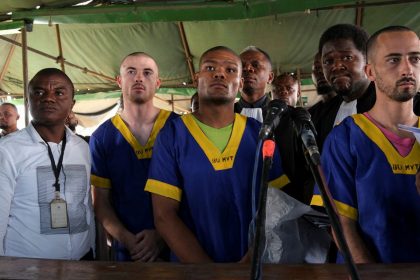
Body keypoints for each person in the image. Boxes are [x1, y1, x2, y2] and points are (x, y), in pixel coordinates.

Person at [145, 46, 289, 263]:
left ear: (240, 83)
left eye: (231, 70)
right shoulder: (172, 135)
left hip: (254, 265)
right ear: (197, 78)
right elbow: (164, 216)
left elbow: (277, 208)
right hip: (194, 269)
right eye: (210, 67)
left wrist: (253, 259)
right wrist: (210, 272)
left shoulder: (260, 134)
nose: (220, 74)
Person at [311, 26, 420, 263]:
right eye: (393, 60)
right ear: (370, 71)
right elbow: (341, 225)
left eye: (415, 58)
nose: (406, 68)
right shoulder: (343, 138)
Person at [90, 52, 177, 262]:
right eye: (131, 72)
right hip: (129, 251)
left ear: (157, 83)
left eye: (147, 73)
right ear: (119, 81)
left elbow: (193, 192)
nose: (139, 78)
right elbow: (101, 201)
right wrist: (126, 239)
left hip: (177, 244)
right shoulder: (102, 136)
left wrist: (163, 234)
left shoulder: (179, 127)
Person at [0, 68, 95, 260]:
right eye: (39, 92)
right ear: (28, 101)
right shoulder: (7, 150)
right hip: (27, 268)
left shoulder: (82, 149)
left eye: (59, 93)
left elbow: (86, 206)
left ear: (72, 103)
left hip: (82, 263)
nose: (48, 98)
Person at [314, 24, 375, 150]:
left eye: (347, 57)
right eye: (328, 61)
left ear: (368, 60)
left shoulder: (398, 106)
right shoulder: (322, 115)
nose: (336, 66)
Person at [271, 73, 314, 204]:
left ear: (298, 93)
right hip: (273, 192)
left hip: (301, 193)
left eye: (289, 89)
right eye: (278, 89)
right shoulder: (263, 120)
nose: (283, 92)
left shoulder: (305, 118)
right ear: (271, 93)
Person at [234, 46, 274, 122]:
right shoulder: (223, 115)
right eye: (242, 66)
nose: (247, 68)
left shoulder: (285, 116)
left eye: (255, 65)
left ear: (270, 77)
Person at [308, 52, 337, 136]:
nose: (320, 72)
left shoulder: (352, 106)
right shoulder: (311, 114)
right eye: (316, 68)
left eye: (325, 66)